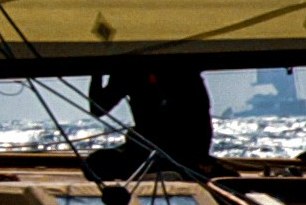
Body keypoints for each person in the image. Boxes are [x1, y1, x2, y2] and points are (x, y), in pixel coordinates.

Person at [82, 63, 219, 180]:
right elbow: (97, 109)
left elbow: (201, 115)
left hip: (179, 149)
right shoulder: (130, 71)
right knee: (93, 164)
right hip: (147, 148)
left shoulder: (183, 72)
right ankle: (160, 170)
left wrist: (201, 156)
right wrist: (97, 71)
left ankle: (162, 170)